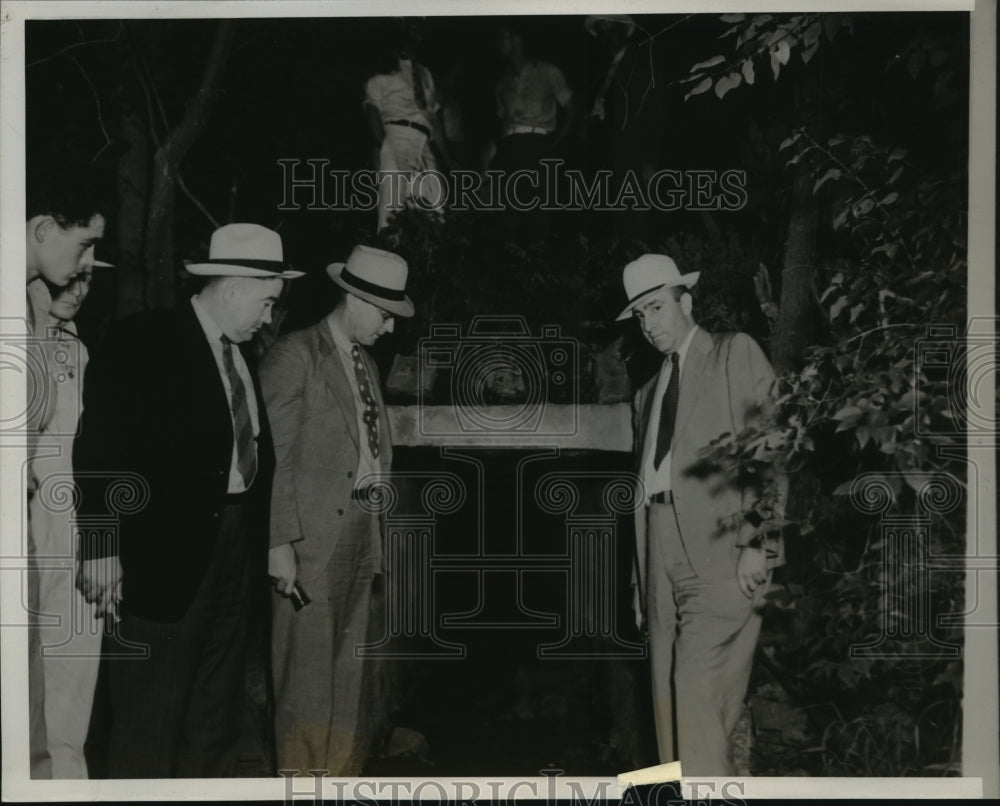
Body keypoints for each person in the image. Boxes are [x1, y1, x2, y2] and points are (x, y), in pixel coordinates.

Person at [73, 223, 303, 777]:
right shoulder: (144, 340)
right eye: (266, 303)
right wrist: (102, 545)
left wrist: (268, 541)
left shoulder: (237, 352)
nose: (268, 317)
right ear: (231, 291)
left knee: (214, 717)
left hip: (231, 553)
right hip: (160, 564)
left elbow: (248, 455)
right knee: (148, 726)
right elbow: (101, 449)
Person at [618, 254, 784, 776]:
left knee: (695, 687)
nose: (650, 323)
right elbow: (647, 487)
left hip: (722, 547)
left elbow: (771, 445)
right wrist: (640, 582)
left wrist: (761, 538)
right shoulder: (648, 392)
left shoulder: (734, 354)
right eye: (640, 315)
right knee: (671, 709)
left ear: (685, 301)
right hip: (659, 555)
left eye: (658, 307)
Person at [262, 244, 413, 776]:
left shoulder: (366, 363)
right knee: (305, 686)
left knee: (349, 684)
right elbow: (273, 459)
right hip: (310, 545)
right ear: (352, 298)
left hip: (361, 536)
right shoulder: (293, 356)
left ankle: (342, 784)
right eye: (385, 314)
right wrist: (279, 543)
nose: (390, 328)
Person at [24, 175, 106, 779]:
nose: (79, 286)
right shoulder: (20, 336)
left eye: (89, 278)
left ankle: (68, 782)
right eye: (74, 271)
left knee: (76, 669)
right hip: (28, 527)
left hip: (73, 529)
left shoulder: (79, 352)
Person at [364, 19, 447, 231]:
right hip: (396, 135)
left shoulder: (425, 73)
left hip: (424, 143)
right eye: (409, 31)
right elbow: (373, 113)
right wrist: (387, 148)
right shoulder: (381, 70)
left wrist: (446, 158)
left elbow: (434, 119)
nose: (413, 37)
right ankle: (389, 256)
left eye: (418, 32)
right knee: (392, 213)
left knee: (433, 210)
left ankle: (428, 260)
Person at [491, 22, 577, 174]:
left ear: (517, 39)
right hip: (508, 147)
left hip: (538, 145)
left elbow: (572, 109)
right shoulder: (502, 81)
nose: (497, 44)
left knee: (538, 196)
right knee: (507, 197)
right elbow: (501, 119)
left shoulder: (548, 72)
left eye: (502, 38)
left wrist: (555, 145)